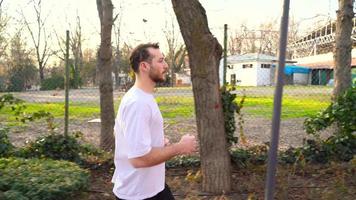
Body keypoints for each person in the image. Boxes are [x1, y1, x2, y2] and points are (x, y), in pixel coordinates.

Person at [112, 43, 197, 200]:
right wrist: (180, 147)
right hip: (138, 194)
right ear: (144, 66)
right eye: (160, 61)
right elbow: (139, 159)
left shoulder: (142, 97)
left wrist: (155, 142)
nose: (165, 65)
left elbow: (126, 136)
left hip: (153, 187)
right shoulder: (138, 103)